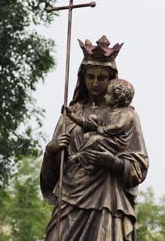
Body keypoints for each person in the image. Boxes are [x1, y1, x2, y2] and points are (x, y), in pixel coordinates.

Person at [40, 36, 149, 241]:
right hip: (69, 200)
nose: (95, 83)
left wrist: (114, 162)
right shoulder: (71, 113)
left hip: (107, 201)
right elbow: (52, 176)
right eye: (90, 77)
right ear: (83, 78)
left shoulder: (125, 115)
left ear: (111, 80)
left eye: (101, 78)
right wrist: (51, 150)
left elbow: (139, 166)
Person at [64, 78, 136, 173]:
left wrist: (115, 162)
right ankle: (89, 165)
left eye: (108, 94)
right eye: (90, 76)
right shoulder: (107, 113)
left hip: (117, 143)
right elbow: (91, 126)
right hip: (105, 140)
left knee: (95, 139)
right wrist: (72, 116)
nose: (105, 96)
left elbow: (118, 127)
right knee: (88, 136)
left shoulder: (127, 112)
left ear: (117, 98)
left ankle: (80, 156)